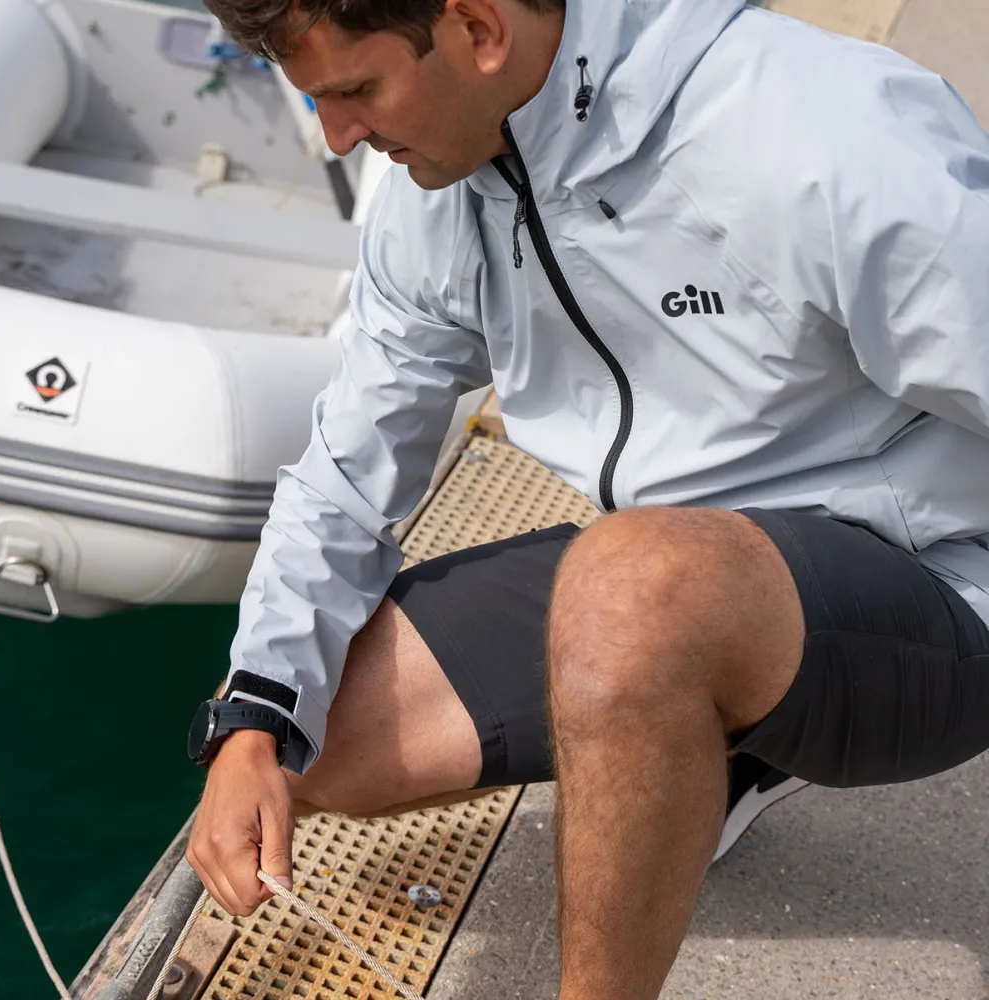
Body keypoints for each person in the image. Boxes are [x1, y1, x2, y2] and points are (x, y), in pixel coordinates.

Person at [185, 0, 989, 994]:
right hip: (704, 571)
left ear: (479, 29)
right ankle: (726, 742)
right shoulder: (433, 192)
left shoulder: (816, 130)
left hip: (941, 587)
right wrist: (255, 718)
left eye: (355, 91)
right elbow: (344, 473)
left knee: (629, 588)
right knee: (315, 741)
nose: (337, 137)